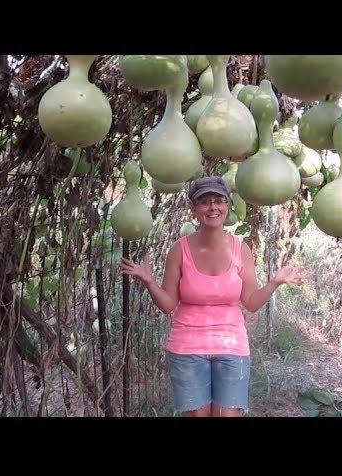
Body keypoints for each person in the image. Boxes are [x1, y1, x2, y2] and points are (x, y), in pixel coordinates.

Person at [120, 176, 305, 417]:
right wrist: (149, 282)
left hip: (232, 345)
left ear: (227, 206)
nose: (213, 207)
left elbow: (251, 303)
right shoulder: (179, 250)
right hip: (187, 346)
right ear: (194, 209)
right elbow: (168, 305)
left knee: (227, 415)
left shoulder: (241, 249)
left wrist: (275, 282)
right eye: (205, 202)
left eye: (219, 201)